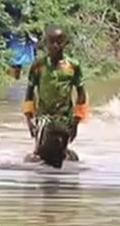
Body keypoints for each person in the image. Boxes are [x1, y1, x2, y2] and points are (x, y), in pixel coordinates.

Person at [22, 24, 89, 168]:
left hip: (64, 119)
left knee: (61, 157)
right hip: (43, 118)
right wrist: (29, 119)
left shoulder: (73, 66)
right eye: (51, 42)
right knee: (39, 155)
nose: (55, 46)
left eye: (59, 42)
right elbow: (29, 93)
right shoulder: (38, 66)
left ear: (65, 43)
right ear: (45, 43)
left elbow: (81, 94)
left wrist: (76, 122)